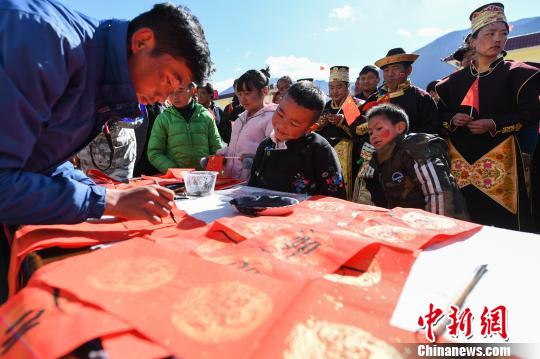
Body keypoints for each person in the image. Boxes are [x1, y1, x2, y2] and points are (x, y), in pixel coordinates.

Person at [0, 0, 212, 302]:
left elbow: (41, 157)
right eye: (168, 80)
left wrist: (94, 189)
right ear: (142, 41)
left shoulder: (98, 74)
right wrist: (105, 200)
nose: (162, 98)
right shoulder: (45, 42)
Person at [436, 3, 540, 231]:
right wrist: (453, 119)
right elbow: (439, 115)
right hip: (460, 162)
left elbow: (532, 113)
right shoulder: (451, 83)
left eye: (503, 34)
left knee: (505, 225)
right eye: (490, 33)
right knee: (464, 221)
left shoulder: (519, 74)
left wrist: (494, 124)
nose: (498, 39)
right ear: (472, 41)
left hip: (501, 163)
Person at [365, 104, 469, 219]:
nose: (373, 135)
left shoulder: (417, 150)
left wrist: (435, 228)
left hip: (440, 223)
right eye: (370, 133)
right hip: (407, 223)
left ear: (399, 127)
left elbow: (437, 193)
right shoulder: (377, 158)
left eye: (379, 128)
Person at [249, 82, 346, 199]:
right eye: (280, 114)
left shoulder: (320, 150)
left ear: (311, 128)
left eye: (294, 123)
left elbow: (335, 199)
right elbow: (252, 189)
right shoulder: (265, 146)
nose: (282, 125)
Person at [215, 68, 277, 181]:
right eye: (239, 94)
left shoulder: (272, 118)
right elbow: (235, 147)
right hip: (232, 181)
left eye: (248, 93)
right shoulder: (240, 119)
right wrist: (221, 154)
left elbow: (275, 154)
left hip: (254, 184)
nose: (242, 99)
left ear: (265, 91)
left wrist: (254, 160)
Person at [315, 66, 364, 199]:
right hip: (326, 153)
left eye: (339, 87)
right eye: (331, 87)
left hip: (350, 156)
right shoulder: (326, 106)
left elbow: (362, 132)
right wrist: (319, 125)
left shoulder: (352, 105)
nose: (335, 91)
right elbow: (312, 130)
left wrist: (343, 122)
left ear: (348, 87)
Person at [148, 84, 222, 173]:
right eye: (171, 92)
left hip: (205, 177)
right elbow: (154, 153)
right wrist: (175, 171)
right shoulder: (163, 119)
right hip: (176, 181)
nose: (175, 96)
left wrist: (213, 173)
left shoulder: (206, 116)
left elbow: (217, 150)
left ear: (193, 91)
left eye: (180, 90)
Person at [369, 48, 441, 135]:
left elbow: (433, 128)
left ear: (409, 70)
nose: (390, 74)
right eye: (386, 70)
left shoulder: (421, 97)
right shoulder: (374, 98)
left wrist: (403, 139)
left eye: (395, 68)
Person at [77, 115, 144, 181]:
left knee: (121, 190)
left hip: (119, 160)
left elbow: (137, 120)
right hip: (87, 157)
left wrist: (112, 115)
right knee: (90, 189)